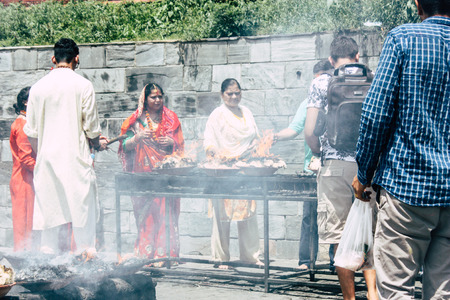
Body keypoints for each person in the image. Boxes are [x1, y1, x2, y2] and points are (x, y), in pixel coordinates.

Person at [352, 1, 450, 298]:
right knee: (443, 293)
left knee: (396, 291)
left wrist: (364, 173)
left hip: (407, 190)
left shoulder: (403, 38)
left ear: (418, 4)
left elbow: (376, 114)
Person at [304, 36, 377, 300]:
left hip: (334, 167)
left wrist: (318, 151)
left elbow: (310, 131)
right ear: (357, 56)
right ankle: (372, 293)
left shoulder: (321, 82)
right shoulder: (374, 79)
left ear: (331, 60)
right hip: (368, 168)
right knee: (368, 233)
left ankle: (349, 297)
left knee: (339, 235)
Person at [23, 38, 108, 256]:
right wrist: (97, 143)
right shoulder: (83, 85)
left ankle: (47, 272)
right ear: (76, 58)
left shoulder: (38, 88)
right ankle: (86, 263)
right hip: (76, 162)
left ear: (54, 58)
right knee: (83, 221)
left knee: (49, 225)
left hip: (48, 161)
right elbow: (91, 129)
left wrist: (43, 154)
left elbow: (31, 132)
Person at [274, 59, 336, 271]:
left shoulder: (339, 100)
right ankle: (306, 260)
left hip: (335, 166)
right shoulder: (307, 103)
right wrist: (273, 137)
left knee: (338, 214)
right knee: (310, 216)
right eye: (321, 79)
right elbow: (295, 129)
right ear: (315, 79)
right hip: (312, 168)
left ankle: (336, 262)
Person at [118, 83, 184, 266]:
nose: (157, 100)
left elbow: (180, 145)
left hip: (166, 176)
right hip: (142, 177)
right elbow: (123, 146)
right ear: (145, 100)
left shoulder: (171, 118)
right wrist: (136, 138)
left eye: (160, 96)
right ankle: (145, 254)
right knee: (146, 215)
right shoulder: (135, 121)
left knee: (166, 214)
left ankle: (165, 255)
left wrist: (171, 142)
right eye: (153, 97)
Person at [204, 78, 262, 269]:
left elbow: (256, 137)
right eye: (230, 93)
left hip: (245, 170)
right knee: (223, 217)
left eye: (237, 92)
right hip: (223, 172)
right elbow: (209, 141)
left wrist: (256, 147)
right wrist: (216, 155)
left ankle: (251, 257)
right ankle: (221, 258)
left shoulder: (247, 112)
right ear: (222, 95)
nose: (234, 96)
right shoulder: (217, 115)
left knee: (248, 215)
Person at [9, 87, 37, 252]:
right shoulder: (23, 124)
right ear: (26, 102)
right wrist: (44, 173)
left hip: (23, 178)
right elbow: (26, 158)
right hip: (24, 180)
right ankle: (23, 262)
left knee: (26, 223)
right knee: (25, 224)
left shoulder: (22, 122)